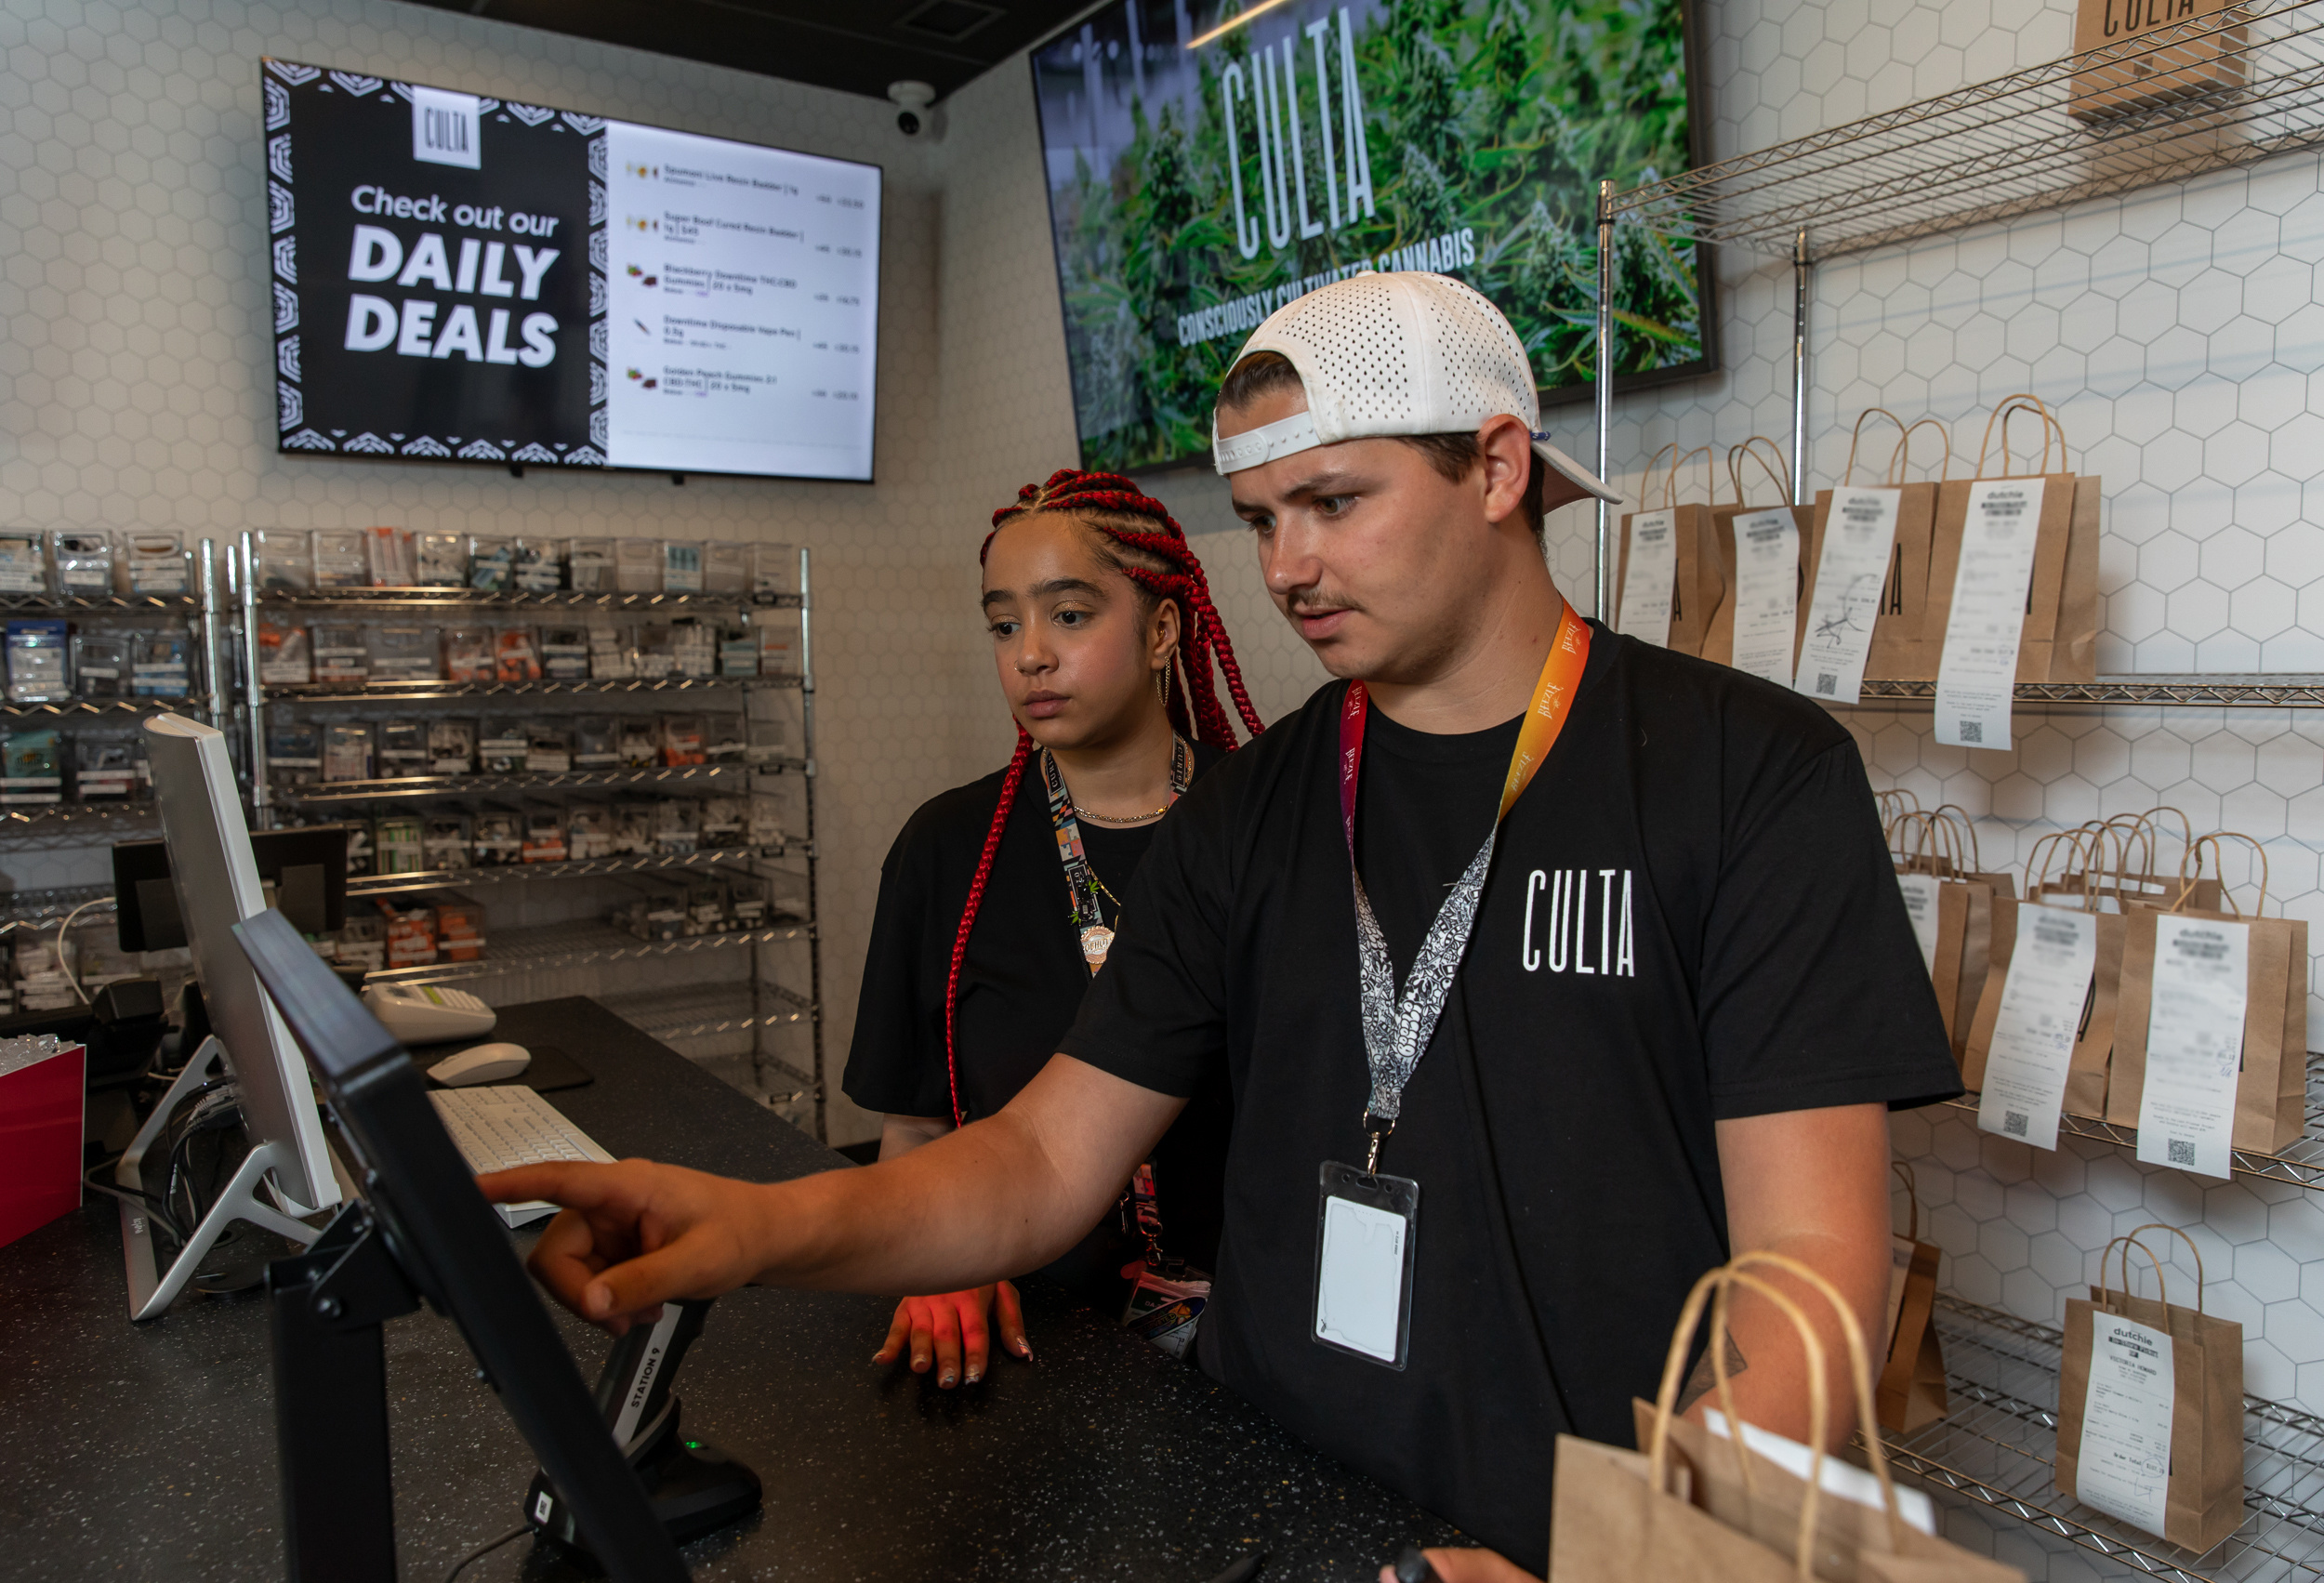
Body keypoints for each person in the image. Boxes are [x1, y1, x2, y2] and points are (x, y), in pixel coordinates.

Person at [482, 272, 1961, 1580]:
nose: (1286, 568)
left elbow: (1815, 1272)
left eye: (1335, 503)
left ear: (1498, 466)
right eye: (1261, 520)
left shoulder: (1744, 771)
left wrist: (1619, 1557)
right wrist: (753, 1224)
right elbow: (1045, 1155)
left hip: (1577, 1530)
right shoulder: (1256, 808)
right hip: (1266, 1491)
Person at [841, 469, 1261, 1388]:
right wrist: (935, 1255)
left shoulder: (1265, 821)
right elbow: (915, 1128)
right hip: (1037, 1342)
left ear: (1161, 630)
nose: (1030, 654)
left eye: (1068, 615)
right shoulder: (947, 848)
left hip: (1258, 1352)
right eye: (1003, 623)